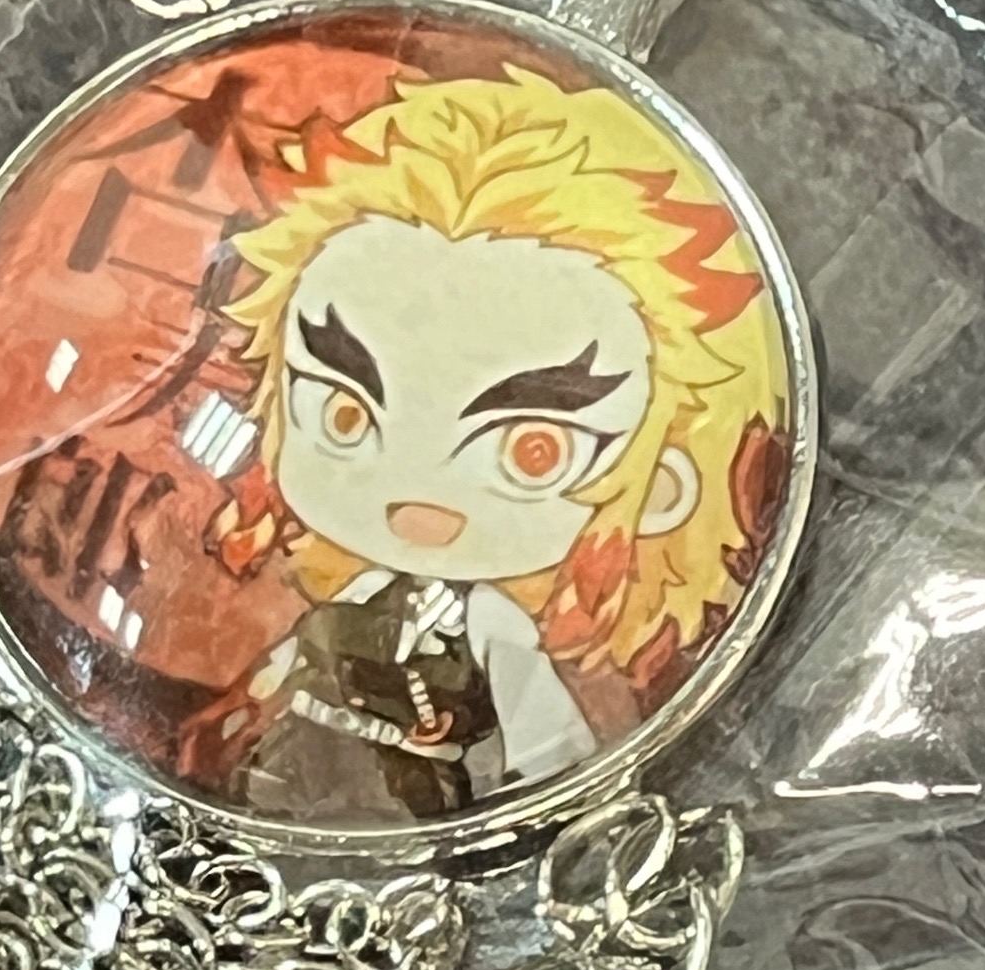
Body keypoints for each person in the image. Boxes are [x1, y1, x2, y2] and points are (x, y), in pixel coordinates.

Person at [218, 64, 788, 823]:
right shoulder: (357, 595)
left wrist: (546, 806)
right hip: (293, 768)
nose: (418, 496)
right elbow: (287, 665)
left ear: (661, 489)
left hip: (420, 809)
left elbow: (548, 744)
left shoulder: (494, 626)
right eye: (346, 415)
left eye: (532, 451)